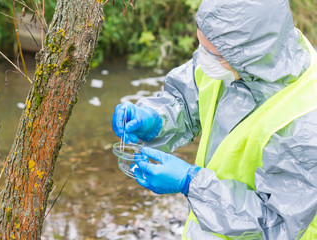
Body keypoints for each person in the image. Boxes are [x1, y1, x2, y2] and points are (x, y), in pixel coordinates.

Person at [112, 0, 317, 239]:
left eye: (214, 54)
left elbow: (276, 223)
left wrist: (192, 184)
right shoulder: (229, 55)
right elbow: (188, 97)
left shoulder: (305, 122)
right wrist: (155, 118)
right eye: (202, 45)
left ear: (250, 54)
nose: (203, 59)